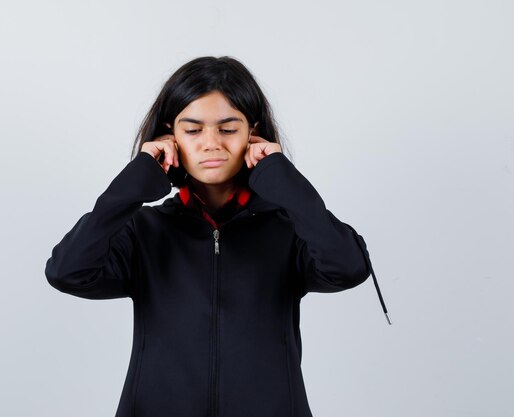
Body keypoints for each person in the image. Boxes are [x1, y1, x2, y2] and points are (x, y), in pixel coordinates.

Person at [44, 56, 390, 417]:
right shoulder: (144, 231)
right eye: (193, 130)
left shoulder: (288, 229)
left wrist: (284, 183)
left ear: (253, 133)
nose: (211, 144)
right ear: (170, 136)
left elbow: (349, 267)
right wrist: (133, 185)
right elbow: (67, 271)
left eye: (228, 129)